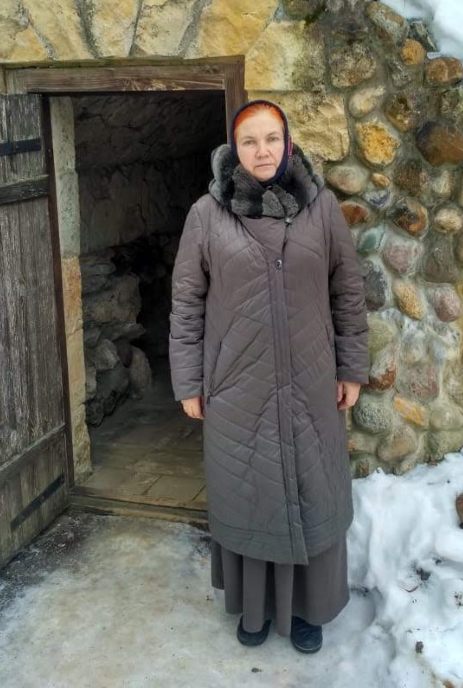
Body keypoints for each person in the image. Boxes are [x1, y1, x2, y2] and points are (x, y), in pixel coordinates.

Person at [169, 99, 368, 654]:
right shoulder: (207, 215)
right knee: (249, 494)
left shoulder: (321, 208)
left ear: (288, 144)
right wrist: (188, 381)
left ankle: (308, 610)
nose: (262, 151)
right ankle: (254, 610)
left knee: (310, 489)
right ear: (234, 150)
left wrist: (351, 366)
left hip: (311, 382)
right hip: (236, 386)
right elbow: (186, 303)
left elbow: (347, 291)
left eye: (272, 139)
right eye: (250, 141)